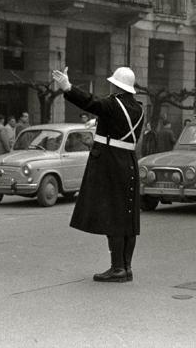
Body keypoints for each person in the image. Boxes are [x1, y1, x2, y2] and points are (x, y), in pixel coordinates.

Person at [52, 66, 144, 283]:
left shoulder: (113, 104)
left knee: (112, 215)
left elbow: (91, 102)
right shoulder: (138, 108)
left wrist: (67, 87)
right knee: (127, 216)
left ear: (115, 85)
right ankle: (127, 267)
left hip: (110, 161)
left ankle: (117, 268)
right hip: (128, 162)